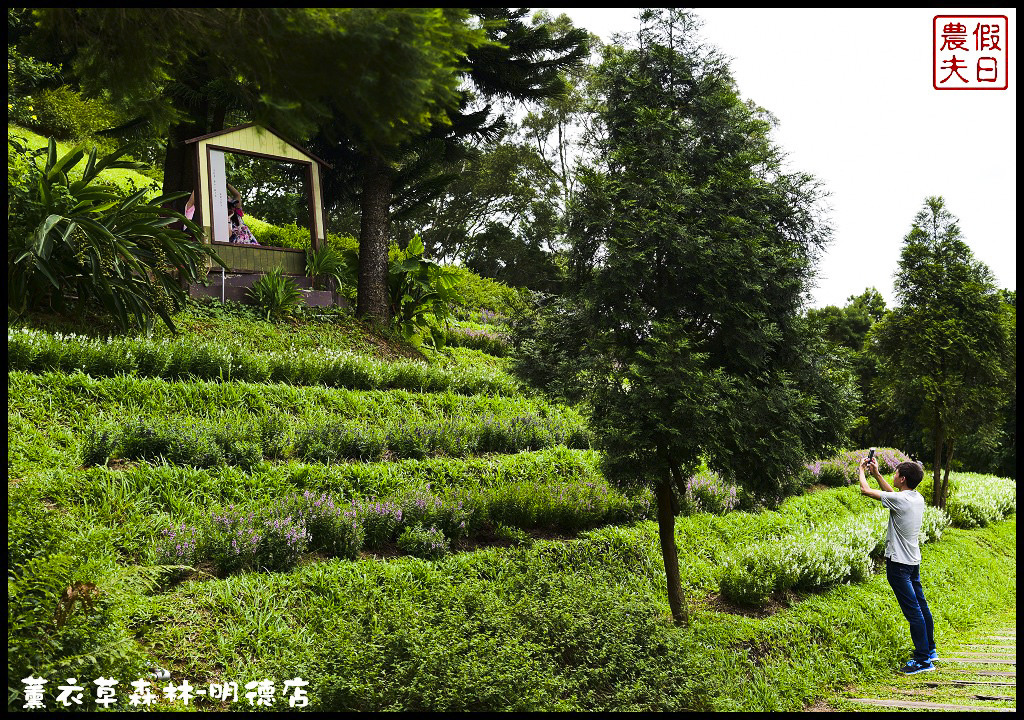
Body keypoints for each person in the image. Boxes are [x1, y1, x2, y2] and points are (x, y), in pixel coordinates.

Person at [858, 454, 938, 675]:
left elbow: (866, 491)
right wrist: (878, 474)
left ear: (902, 478)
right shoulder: (915, 498)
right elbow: (894, 496)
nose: (893, 476)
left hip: (898, 565)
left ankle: (922, 661)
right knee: (921, 606)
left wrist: (863, 472)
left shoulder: (902, 500)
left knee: (913, 612)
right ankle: (930, 650)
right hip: (912, 562)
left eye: (895, 474)